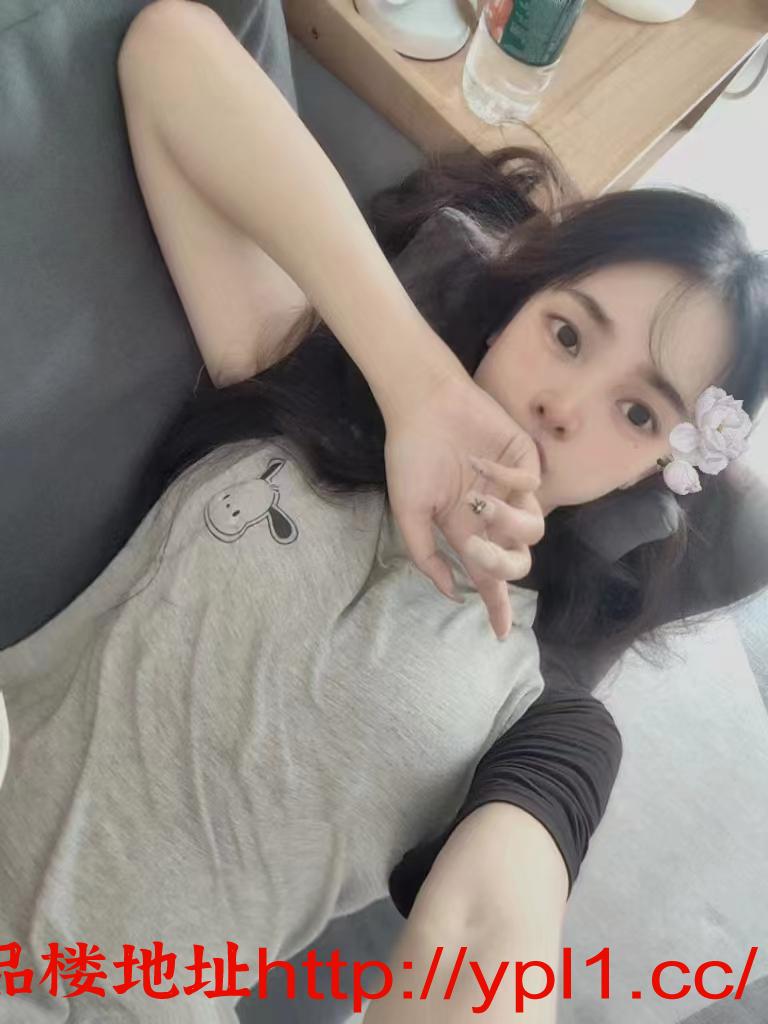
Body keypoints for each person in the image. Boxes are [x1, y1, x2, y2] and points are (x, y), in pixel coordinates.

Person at [0, 1, 766, 1022]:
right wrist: (417, 387)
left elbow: (494, 925)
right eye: (567, 334)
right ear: (515, 307)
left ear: (657, 463)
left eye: (637, 412)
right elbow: (170, 50)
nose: (563, 406)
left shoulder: (541, 705)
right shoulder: (301, 389)